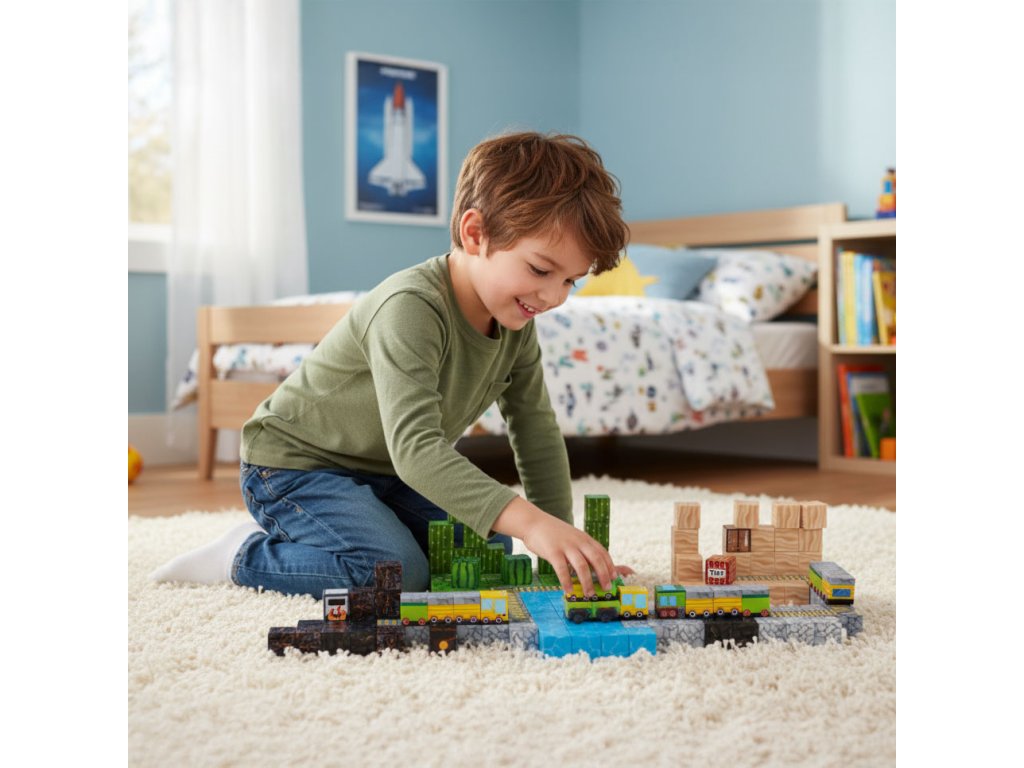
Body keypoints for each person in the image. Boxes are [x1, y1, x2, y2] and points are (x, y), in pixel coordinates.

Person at [151, 131, 633, 598]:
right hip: (295, 466)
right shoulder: (411, 307)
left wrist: (563, 546)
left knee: (488, 550)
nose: (553, 297)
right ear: (475, 233)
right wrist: (531, 522)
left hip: (390, 473)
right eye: (540, 270)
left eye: (570, 281)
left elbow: (535, 429)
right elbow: (417, 449)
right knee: (395, 574)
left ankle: (355, 528)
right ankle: (242, 555)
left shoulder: (517, 324)